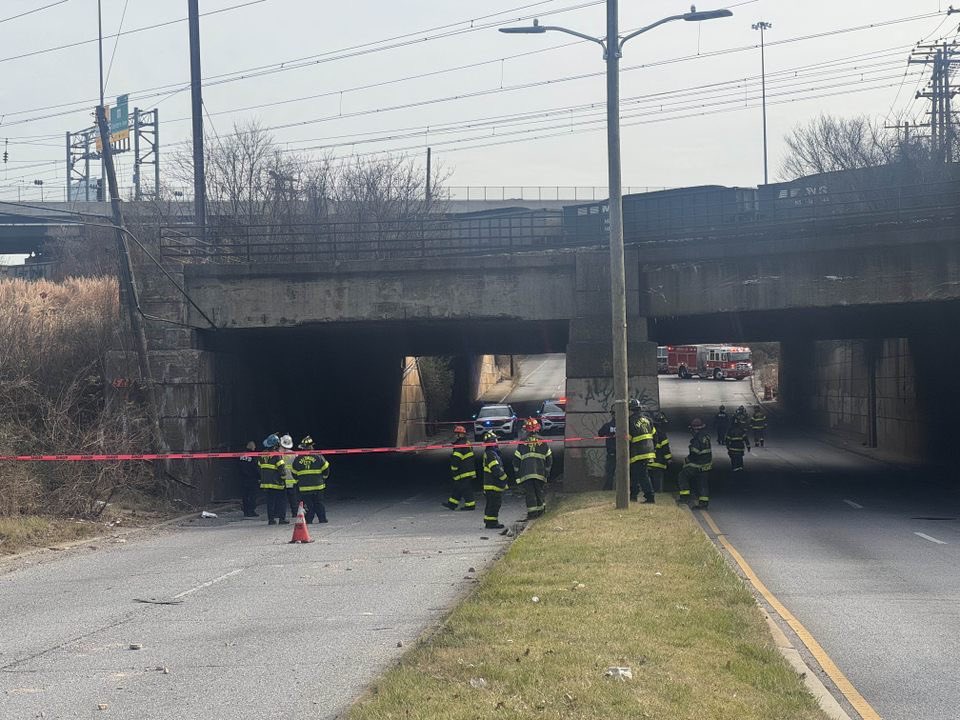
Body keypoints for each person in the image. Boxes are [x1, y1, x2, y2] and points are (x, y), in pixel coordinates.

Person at [513, 418, 552, 519]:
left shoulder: (522, 442)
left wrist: (517, 475)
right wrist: (547, 472)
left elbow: (516, 460)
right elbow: (549, 458)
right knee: (539, 491)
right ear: (537, 428)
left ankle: (532, 514)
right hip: (540, 473)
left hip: (526, 474)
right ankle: (541, 512)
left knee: (530, 493)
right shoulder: (543, 441)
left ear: (526, 430)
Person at [292, 435, 330, 523]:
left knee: (309, 504)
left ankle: (309, 520)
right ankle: (322, 519)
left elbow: (294, 472)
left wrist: (298, 481)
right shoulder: (318, 456)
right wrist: (324, 478)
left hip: (304, 487)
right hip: (318, 486)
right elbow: (326, 468)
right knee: (319, 503)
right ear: (311, 446)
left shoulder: (298, 459)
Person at [676, 418, 712, 509]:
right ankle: (704, 503)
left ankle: (684, 497)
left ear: (695, 429)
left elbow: (694, 453)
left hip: (697, 464)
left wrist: (688, 460)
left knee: (682, 475)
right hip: (706, 465)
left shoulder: (697, 439)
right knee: (702, 483)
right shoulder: (706, 437)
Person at [628, 399, 656, 503]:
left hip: (637, 453)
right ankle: (633, 496)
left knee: (642, 475)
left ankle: (650, 496)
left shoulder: (630, 421)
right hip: (649, 450)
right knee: (636, 474)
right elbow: (655, 435)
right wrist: (654, 448)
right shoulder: (648, 420)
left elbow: (628, 439)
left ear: (630, 410)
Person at [443, 425, 477, 511]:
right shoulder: (466, 442)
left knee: (465, 488)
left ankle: (470, 505)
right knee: (458, 487)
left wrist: (454, 469)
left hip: (464, 470)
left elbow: (456, 458)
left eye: (456, 434)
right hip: (467, 469)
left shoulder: (460, 445)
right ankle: (452, 504)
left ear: (460, 435)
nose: (455, 436)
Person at [481, 430, 510, 529]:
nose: (497, 441)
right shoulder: (491, 454)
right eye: (496, 439)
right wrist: (504, 477)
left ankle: (489, 521)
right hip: (492, 484)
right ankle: (492, 523)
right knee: (494, 504)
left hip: (490, 484)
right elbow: (496, 469)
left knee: (491, 503)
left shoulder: (491, 453)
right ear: (492, 441)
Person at [258, 434, 289, 525]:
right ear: (276, 445)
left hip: (266, 483)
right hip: (277, 483)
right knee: (281, 501)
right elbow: (282, 469)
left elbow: (259, 467)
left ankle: (271, 520)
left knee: (270, 502)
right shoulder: (277, 455)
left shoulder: (262, 454)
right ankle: (282, 519)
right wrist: (283, 479)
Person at [648, 410, 672, 493]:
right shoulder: (662, 434)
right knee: (658, 482)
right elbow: (665, 449)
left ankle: (650, 492)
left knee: (649, 480)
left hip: (649, 461)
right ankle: (658, 493)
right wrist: (669, 459)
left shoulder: (649, 432)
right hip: (659, 462)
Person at [238, 441, 260, 517]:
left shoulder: (241, 455)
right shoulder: (253, 455)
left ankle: (246, 511)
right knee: (253, 495)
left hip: (243, 478)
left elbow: (239, 466)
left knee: (245, 495)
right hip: (252, 478)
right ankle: (251, 511)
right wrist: (259, 477)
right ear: (252, 447)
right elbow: (256, 467)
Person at [279, 434, 300, 515]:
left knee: (282, 499)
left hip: (282, 479)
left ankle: (280, 514)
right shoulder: (294, 454)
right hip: (292, 479)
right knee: (293, 498)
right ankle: (295, 512)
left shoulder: (278, 454)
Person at [598, 410, 617, 491]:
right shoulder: (625, 425)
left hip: (612, 452)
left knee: (610, 472)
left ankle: (608, 488)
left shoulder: (608, 426)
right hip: (624, 453)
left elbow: (600, 433)